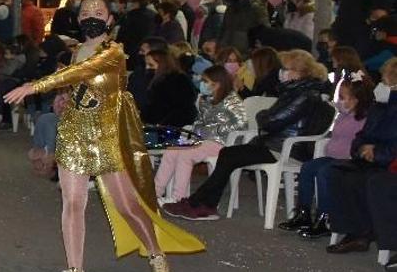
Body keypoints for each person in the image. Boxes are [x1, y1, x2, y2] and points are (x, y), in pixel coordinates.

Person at [4, 0, 204, 272]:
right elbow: (75, 83)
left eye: (99, 11)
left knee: (128, 206)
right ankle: (75, 270)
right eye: (86, 11)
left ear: (110, 19)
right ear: (79, 18)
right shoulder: (75, 51)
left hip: (107, 136)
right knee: (72, 203)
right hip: (73, 133)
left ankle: (156, 254)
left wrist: (35, 86)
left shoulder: (114, 51)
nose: (92, 15)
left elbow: (81, 73)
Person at [165, 50, 334, 221]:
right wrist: (265, 116)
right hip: (275, 144)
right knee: (229, 154)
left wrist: (262, 115)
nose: (281, 72)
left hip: (284, 149)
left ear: (299, 72)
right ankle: (203, 204)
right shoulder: (296, 92)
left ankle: (201, 204)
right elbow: (271, 119)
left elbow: (271, 121)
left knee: (229, 155)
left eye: (286, 68)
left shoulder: (303, 95)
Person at [313, 60, 397, 250]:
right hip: (369, 158)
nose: (381, 86)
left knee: (364, 180)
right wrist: (361, 149)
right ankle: (354, 232)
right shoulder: (379, 109)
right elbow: (361, 136)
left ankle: (365, 232)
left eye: (385, 81)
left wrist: (377, 153)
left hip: (386, 161)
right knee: (337, 173)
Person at [279, 76, 371, 233]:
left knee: (324, 173)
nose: (339, 101)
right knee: (307, 168)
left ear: (357, 100)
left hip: (348, 160)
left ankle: (325, 217)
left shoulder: (364, 120)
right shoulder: (342, 116)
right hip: (332, 157)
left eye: (343, 98)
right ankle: (304, 213)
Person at [154, 65, 248, 203]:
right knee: (172, 149)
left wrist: (212, 131)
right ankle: (156, 191)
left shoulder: (232, 100)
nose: (202, 84)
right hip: (204, 139)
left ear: (217, 84)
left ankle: (178, 197)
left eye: (205, 81)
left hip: (224, 143)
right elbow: (199, 120)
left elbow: (242, 124)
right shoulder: (205, 99)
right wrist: (196, 130)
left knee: (186, 155)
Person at [139, 48, 199, 129]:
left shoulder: (175, 81)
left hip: (170, 128)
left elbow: (178, 107)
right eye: (146, 64)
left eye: (151, 65)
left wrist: (161, 124)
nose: (147, 68)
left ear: (162, 64)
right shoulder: (155, 79)